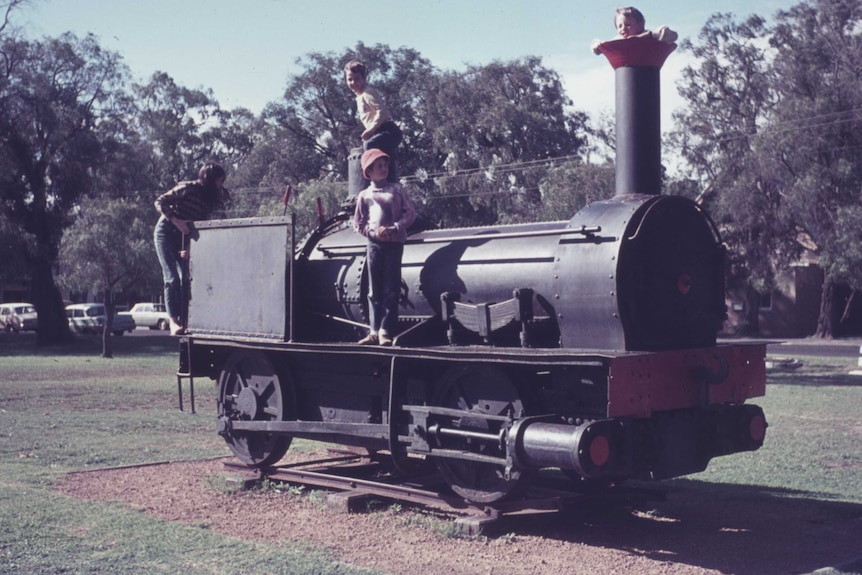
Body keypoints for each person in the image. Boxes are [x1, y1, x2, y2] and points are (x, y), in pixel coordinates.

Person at [153, 162, 229, 335]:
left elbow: (201, 225)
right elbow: (160, 201)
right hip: (166, 231)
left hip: (185, 236)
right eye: (219, 180)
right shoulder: (187, 188)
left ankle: (186, 322)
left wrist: (190, 247)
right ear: (209, 179)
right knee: (171, 277)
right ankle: (173, 323)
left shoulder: (212, 199)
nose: (221, 184)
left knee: (187, 279)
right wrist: (176, 221)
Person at [353, 149, 416, 346]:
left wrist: (395, 227)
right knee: (374, 290)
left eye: (386, 165)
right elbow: (358, 224)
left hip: (394, 244)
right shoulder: (364, 196)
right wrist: (372, 234)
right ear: (369, 171)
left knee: (391, 288)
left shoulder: (396, 190)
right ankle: (373, 331)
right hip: (374, 245)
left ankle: (385, 331)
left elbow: (410, 213)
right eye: (379, 166)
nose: (384, 169)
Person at [344, 60, 402, 181]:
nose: (353, 82)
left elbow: (381, 111)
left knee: (369, 145)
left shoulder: (368, 92)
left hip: (388, 131)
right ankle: (380, 176)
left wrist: (371, 130)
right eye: (350, 79)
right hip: (378, 131)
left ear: (364, 78)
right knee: (370, 147)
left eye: (357, 78)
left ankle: (374, 179)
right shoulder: (359, 97)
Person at [591, 6, 678, 54]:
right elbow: (600, 44)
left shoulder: (648, 35)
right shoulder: (619, 40)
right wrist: (597, 45)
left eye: (628, 25)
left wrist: (652, 35)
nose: (623, 29)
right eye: (619, 26)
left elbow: (672, 36)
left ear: (641, 25)